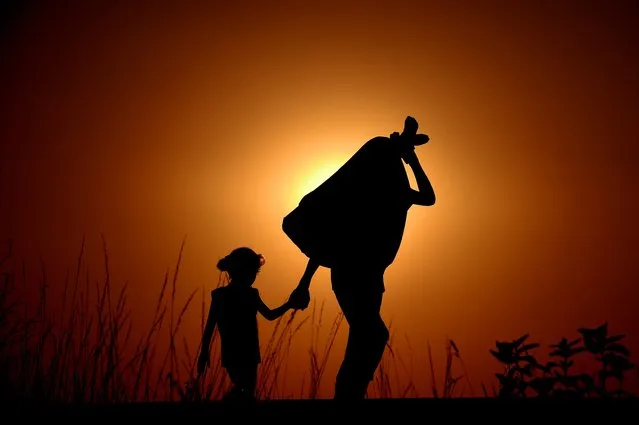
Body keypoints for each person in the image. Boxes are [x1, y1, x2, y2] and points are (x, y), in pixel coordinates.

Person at [285, 116, 436, 399]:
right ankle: (349, 394)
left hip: (370, 276)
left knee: (363, 337)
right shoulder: (358, 198)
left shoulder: (392, 193)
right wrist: (304, 283)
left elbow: (429, 198)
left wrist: (411, 158)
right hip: (348, 275)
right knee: (372, 334)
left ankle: (350, 394)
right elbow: (326, 242)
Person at [197, 247, 295, 401]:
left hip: (244, 353)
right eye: (252, 272)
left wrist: (289, 304)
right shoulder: (226, 296)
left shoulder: (230, 295)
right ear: (241, 271)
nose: (253, 276)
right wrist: (204, 352)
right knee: (245, 391)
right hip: (240, 352)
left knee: (247, 392)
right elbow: (210, 326)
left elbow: (210, 327)